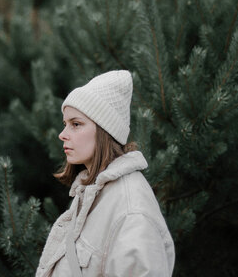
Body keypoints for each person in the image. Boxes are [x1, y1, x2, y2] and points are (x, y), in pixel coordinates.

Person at [36, 70, 175, 277]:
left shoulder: (131, 209)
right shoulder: (93, 193)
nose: (62, 134)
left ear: (104, 130)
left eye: (76, 124)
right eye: (65, 124)